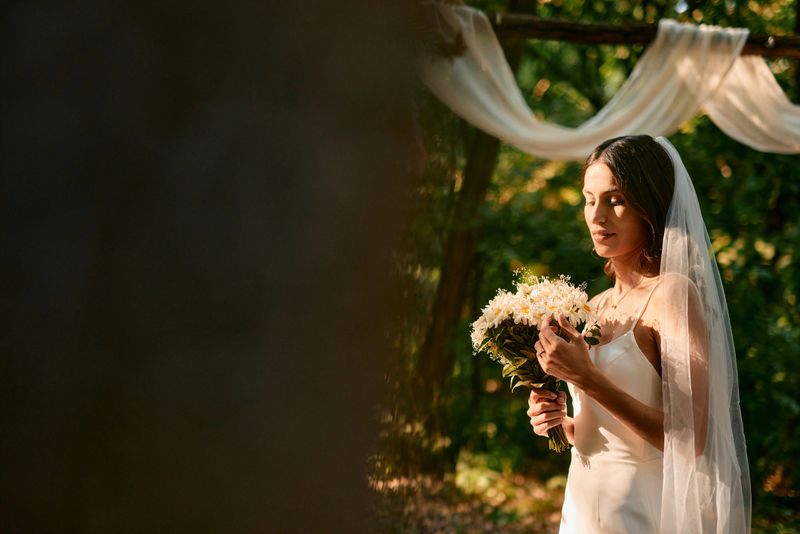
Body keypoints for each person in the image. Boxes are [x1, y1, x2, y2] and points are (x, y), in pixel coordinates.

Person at [526, 135, 751, 533]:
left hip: (643, 512)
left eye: (616, 200)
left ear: (650, 206)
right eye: (588, 198)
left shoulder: (673, 294)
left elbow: (691, 440)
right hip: (583, 506)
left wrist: (587, 378)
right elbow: (595, 435)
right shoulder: (594, 306)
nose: (597, 216)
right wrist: (559, 421)